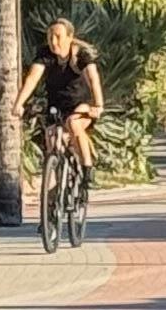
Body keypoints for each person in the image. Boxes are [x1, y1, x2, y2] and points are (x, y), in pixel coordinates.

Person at [17, 17, 103, 194]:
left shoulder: (81, 55)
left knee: (73, 123)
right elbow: (32, 78)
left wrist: (98, 105)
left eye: (58, 36)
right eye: (50, 37)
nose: (53, 42)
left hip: (81, 105)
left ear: (70, 37)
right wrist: (19, 104)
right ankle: (60, 179)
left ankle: (87, 169)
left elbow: (93, 79)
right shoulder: (45, 55)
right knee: (52, 139)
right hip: (56, 106)